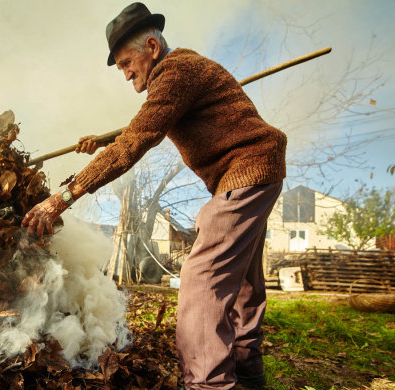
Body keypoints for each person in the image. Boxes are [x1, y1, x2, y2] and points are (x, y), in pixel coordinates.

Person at [22, 3, 286, 389]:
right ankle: (249, 374)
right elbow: (137, 127)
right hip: (260, 170)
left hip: (246, 172)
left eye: (128, 63)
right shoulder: (179, 75)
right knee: (244, 282)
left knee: (202, 280)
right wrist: (99, 141)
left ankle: (208, 384)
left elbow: (134, 141)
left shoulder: (176, 71)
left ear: (151, 46)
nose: (126, 74)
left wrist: (62, 196)